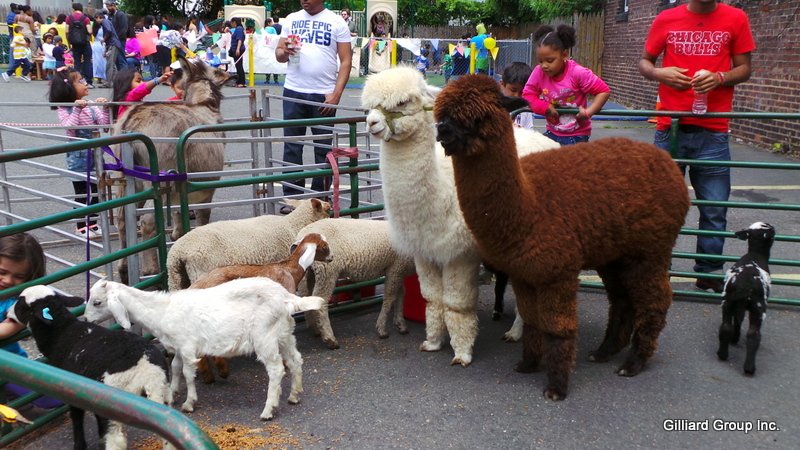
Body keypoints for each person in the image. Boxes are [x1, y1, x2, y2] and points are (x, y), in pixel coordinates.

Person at [639, 0, 755, 293]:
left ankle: (708, 271)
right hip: (670, 128)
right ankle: (656, 271)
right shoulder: (666, 18)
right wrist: (659, 73)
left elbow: (744, 69)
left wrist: (719, 77)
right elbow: (644, 62)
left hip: (713, 130)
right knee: (659, 206)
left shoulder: (736, 18)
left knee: (714, 207)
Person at [275, 0, 352, 213]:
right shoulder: (292, 19)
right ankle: (292, 199)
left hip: (323, 95)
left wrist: (336, 94)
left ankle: (321, 199)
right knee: (292, 146)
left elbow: (346, 60)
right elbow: (279, 55)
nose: (304, 0)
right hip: (293, 90)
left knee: (323, 150)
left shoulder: (336, 22)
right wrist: (285, 52)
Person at [0, 233, 63, 411]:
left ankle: (13, 394)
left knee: (54, 401)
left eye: (18, 276)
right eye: (2, 272)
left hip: (10, 365)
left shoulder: (21, 302)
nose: (8, 280)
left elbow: (7, 328)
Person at [521, 24, 610, 146]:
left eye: (550, 60)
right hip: (552, 132)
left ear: (564, 55)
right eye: (540, 61)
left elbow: (603, 91)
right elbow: (528, 95)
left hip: (577, 135)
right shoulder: (539, 72)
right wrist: (545, 108)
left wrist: (589, 112)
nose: (544, 65)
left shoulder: (577, 73)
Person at [48, 67, 110, 238]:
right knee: (83, 194)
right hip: (78, 158)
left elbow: (104, 125)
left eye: (83, 80)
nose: (85, 83)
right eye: (80, 81)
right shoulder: (65, 108)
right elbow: (70, 127)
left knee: (98, 192)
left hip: (96, 156)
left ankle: (93, 222)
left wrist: (104, 108)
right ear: (68, 88)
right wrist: (77, 109)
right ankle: (81, 226)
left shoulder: (90, 106)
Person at [94, 11, 126, 88]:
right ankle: (117, 82)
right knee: (113, 65)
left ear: (99, 17)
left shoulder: (105, 22)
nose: (96, 20)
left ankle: (108, 82)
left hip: (113, 44)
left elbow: (109, 30)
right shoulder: (106, 22)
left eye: (96, 18)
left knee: (109, 64)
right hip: (113, 44)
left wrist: (103, 39)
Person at [65, 3, 93, 89]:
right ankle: (88, 82)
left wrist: (69, 42)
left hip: (75, 44)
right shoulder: (86, 18)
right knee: (87, 61)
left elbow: (66, 31)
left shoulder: (69, 18)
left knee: (76, 62)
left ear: (73, 9)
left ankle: (77, 82)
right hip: (85, 43)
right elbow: (90, 31)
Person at [500, 62, 535, 130]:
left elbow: (529, 131)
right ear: (502, 85)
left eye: (522, 92)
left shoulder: (525, 109)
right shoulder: (496, 107)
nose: (517, 96)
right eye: (513, 90)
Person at [229, 18, 246, 87]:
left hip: (237, 49)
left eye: (232, 22)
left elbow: (239, 39)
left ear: (234, 22)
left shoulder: (239, 29)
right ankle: (239, 81)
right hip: (236, 49)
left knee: (239, 66)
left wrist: (238, 49)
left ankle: (241, 82)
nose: (231, 24)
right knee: (238, 65)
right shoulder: (238, 29)